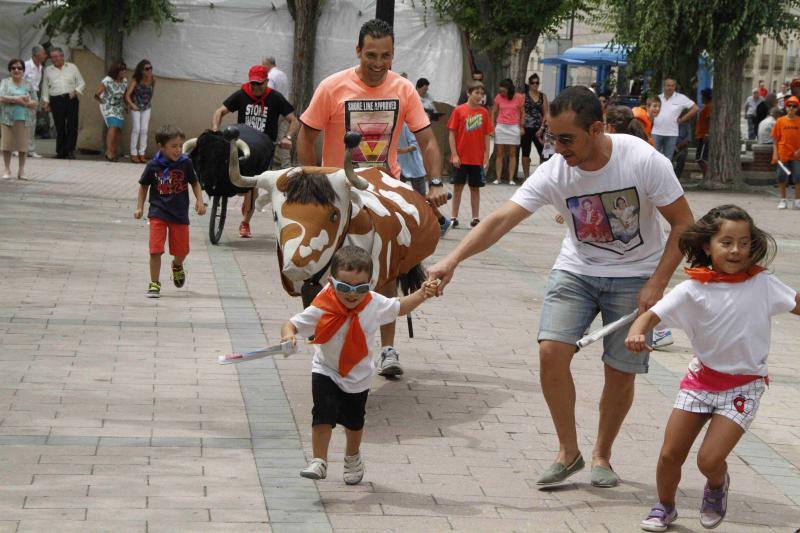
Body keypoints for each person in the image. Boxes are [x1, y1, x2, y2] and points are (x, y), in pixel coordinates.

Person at [427, 86, 694, 488]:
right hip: (577, 270)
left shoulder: (641, 160)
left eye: (566, 139)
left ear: (598, 129)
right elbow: (501, 219)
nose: (557, 148)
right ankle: (567, 452)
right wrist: (453, 259)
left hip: (636, 275)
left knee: (620, 372)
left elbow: (684, 225)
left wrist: (657, 282)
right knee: (551, 351)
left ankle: (603, 453)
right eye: (552, 138)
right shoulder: (555, 171)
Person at [628, 205, 799, 532]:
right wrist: (637, 332)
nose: (737, 250)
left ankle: (717, 485)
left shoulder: (763, 283)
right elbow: (650, 316)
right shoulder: (693, 288)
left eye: (745, 242)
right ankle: (664, 506)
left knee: (708, 459)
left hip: (743, 386)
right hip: (699, 382)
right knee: (669, 455)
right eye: (727, 242)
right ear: (708, 245)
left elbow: (797, 303)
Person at [296, 18, 449, 379]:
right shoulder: (332, 87)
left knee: (386, 270)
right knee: (318, 266)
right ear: (358, 52)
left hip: (385, 190)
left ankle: (388, 349)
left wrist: (437, 182)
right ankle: (327, 339)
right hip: (338, 190)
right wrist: (311, 179)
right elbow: (306, 135)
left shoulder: (404, 89)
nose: (378, 63)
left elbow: (427, 139)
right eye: (371, 55)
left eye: (386, 56)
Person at [282, 246, 440, 483]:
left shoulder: (374, 303)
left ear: (371, 284)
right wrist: (288, 335)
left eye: (360, 288)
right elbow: (292, 324)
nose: (353, 294)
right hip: (326, 369)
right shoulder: (323, 304)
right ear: (331, 282)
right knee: (322, 414)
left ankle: (352, 456)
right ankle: (319, 460)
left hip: (359, 376)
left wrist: (422, 294)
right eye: (345, 288)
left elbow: (400, 307)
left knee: (354, 423)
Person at [212, 64, 299, 238]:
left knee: (252, 185)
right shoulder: (242, 94)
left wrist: (287, 138)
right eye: (253, 84)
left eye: (259, 84)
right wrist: (215, 129)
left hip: (263, 148)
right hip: (241, 143)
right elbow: (219, 111)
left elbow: (294, 121)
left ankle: (245, 222)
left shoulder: (275, 98)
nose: (256, 88)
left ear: (267, 81)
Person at [134, 125, 206, 298]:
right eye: (173, 146)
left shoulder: (185, 163)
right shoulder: (153, 165)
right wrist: (140, 207)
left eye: (180, 146)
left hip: (179, 213)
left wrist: (200, 201)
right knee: (155, 249)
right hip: (158, 212)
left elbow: (195, 183)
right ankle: (154, 283)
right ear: (161, 146)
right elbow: (143, 187)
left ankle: (177, 265)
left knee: (181, 251)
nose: (178, 150)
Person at [447, 80, 492, 228]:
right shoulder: (459, 111)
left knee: (475, 188)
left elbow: (487, 135)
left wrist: (486, 155)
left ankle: (475, 217)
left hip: (476, 158)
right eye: (476, 92)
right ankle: (453, 216)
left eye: (481, 93)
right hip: (461, 157)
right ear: (468, 93)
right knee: (458, 187)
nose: (479, 96)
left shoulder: (484, 113)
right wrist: (454, 154)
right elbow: (451, 134)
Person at [41, 47, 85, 160]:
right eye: (52, 57)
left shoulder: (72, 67)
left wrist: (75, 92)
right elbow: (45, 87)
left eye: (56, 56)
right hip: (56, 100)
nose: (54, 59)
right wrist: (46, 102)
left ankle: (70, 150)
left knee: (72, 125)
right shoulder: (48, 70)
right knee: (59, 126)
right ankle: (61, 152)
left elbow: (81, 83)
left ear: (62, 56)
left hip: (70, 98)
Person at [0, 59, 38, 180]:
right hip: (7, 119)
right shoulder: (5, 82)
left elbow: (35, 102)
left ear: (23, 70)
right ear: (10, 70)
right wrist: (17, 99)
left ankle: (21, 171)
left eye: (19, 68)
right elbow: (0, 97)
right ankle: (7, 169)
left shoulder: (28, 84)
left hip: (24, 119)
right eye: (13, 68)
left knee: (22, 147)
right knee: (6, 146)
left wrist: (25, 103)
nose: (16, 70)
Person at [651, 78, 698, 160]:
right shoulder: (657, 98)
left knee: (668, 160)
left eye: (673, 86)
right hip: (656, 132)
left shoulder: (681, 98)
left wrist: (682, 119)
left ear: (675, 87)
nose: (670, 88)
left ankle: (665, 173)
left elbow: (695, 108)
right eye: (668, 85)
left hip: (672, 133)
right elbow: (650, 112)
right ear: (664, 86)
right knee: (653, 157)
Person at [94, 60, 128, 162]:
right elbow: (96, 94)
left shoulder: (125, 81)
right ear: (115, 71)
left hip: (119, 106)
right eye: (121, 71)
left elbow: (124, 95)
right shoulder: (107, 80)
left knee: (118, 129)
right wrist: (103, 101)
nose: (123, 73)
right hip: (108, 106)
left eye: (124, 70)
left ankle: (113, 151)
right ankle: (109, 151)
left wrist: (126, 105)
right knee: (113, 127)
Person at [491, 78, 524, 185]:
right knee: (499, 153)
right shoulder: (498, 97)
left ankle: (511, 179)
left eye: (503, 91)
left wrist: (521, 127)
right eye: (500, 91)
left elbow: (523, 113)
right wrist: (493, 126)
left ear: (509, 90)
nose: (501, 93)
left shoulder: (519, 97)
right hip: (501, 126)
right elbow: (494, 112)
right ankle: (498, 178)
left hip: (514, 127)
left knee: (512, 153)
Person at [771, 96, 800, 210]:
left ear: (797, 108)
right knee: (781, 177)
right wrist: (775, 153)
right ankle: (783, 200)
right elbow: (775, 139)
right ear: (786, 107)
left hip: (797, 155)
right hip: (782, 154)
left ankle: (797, 200)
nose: (791, 108)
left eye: (794, 106)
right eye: (789, 106)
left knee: (798, 178)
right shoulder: (780, 121)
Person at [262, 56, 291, 168]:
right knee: (283, 138)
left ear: (268, 64)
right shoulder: (283, 74)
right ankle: (286, 165)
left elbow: (268, 94)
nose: (262, 67)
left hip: (274, 112)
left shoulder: (270, 76)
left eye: (263, 65)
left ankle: (267, 164)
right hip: (285, 111)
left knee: (269, 137)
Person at [125, 59, 155, 163]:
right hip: (136, 106)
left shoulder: (152, 79)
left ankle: (142, 153)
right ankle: (133, 153)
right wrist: (132, 104)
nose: (149, 71)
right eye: (147, 69)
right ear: (141, 70)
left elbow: (151, 93)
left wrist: (147, 103)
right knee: (136, 128)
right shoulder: (136, 80)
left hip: (146, 107)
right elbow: (127, 95)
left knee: (144, 129)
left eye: (151, 68)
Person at [520, 73, 549, 178]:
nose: (535, 85)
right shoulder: (524, 96)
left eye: (537, 83)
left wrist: (542, 128)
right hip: (526, 127)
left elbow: (546, 113)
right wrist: (521, 126)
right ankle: (526, 177)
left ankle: (540, 176)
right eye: (533, 83)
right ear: (529, 84)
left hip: (539, 128)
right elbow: (521, 112)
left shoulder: (542, 96)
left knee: (543, 152)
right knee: (525, 152)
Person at [23, 45, 47, 159]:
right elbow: (18, 80)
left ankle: (30, 150)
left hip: (34, 96)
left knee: (32, 123)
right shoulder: (26, 65)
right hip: (24, 96)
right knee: (22, 123)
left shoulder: (41, 67)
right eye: (43, 53)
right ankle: (19, 149)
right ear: (37, 55)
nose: (45, 55)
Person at [397, 123, 427, 197]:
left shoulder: (406, 125)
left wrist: (403, 150)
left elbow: (415, 144)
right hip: (397, 166)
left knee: (421, 198)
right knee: (396, 195)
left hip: (413, 164)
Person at [695, 89, 713, 182]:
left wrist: (708, 133)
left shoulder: (709, 106)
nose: (701, 98)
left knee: (701, 158)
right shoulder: (706, 106)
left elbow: (710, 120)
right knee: (700, 158)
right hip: (700, 135)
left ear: (707, 97)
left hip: (704, 136)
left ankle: (707, 177)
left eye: (702, 96)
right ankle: (705, 177)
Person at [672, 108, 692, 179]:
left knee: (682, 156)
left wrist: (677, 147)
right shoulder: (671, 123)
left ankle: (676, 177)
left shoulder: (687, 125)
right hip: (669, 146)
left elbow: (687, 140)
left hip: (680, 148)